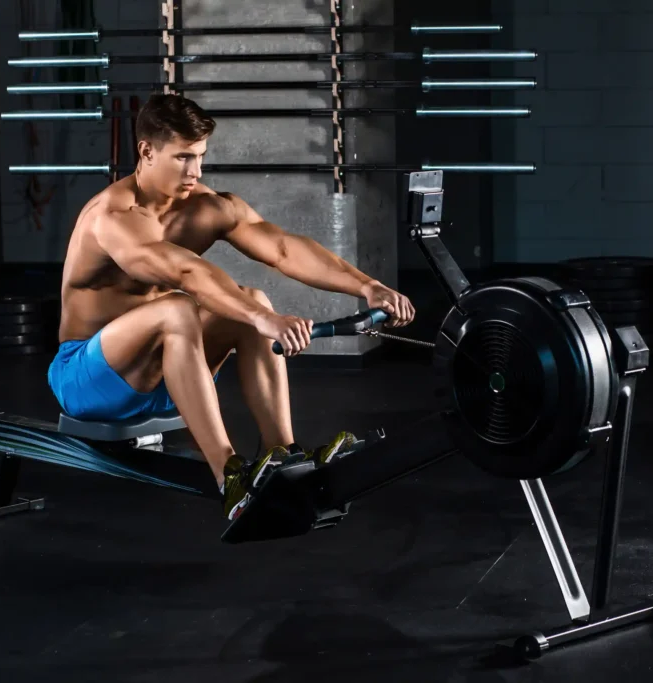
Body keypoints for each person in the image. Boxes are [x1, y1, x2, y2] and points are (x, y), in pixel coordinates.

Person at [47, 93, 415, 522]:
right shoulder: (112, 217)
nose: (195, 171)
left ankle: (282, 454)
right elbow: (184, 274)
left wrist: (367, 286)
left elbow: (281, 248)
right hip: (87, 381)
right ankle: (231, 479)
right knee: (182, 308)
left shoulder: (205, 207)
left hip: (167, 376)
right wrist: (261, 318)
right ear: (146, 151)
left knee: (251, 299)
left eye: (200, 157)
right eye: (183, 158)